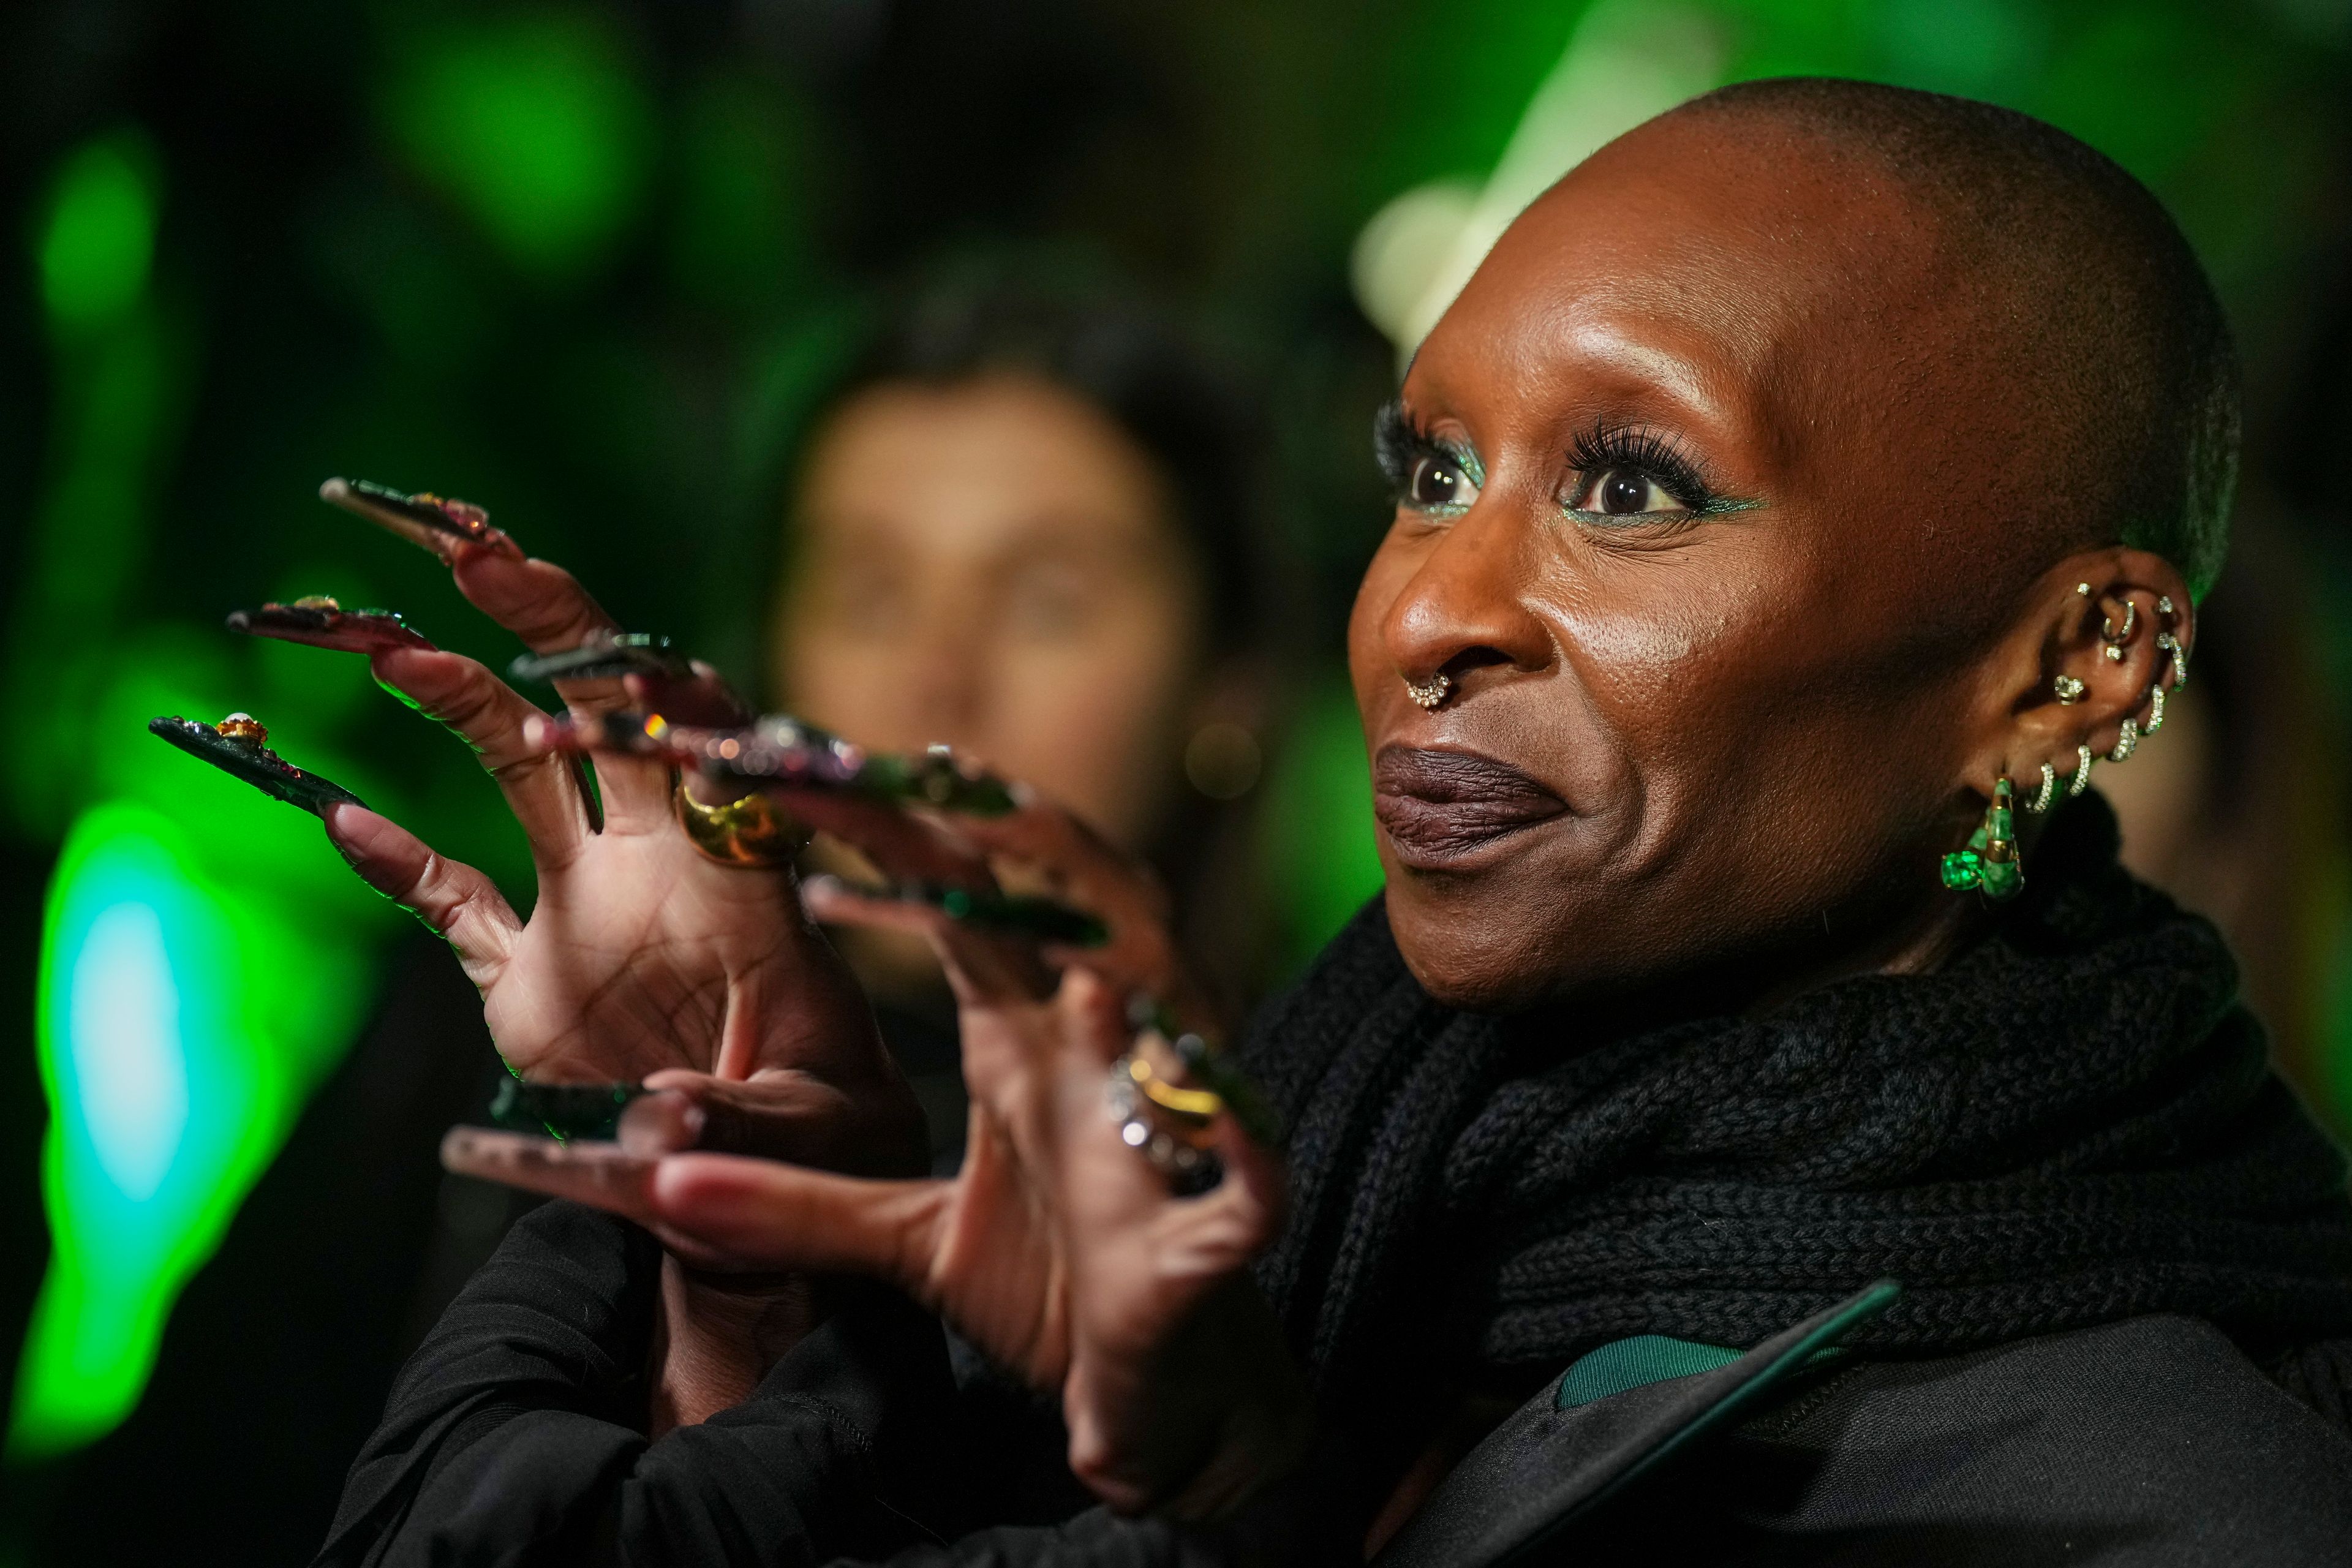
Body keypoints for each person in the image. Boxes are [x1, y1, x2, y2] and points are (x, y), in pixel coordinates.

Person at [311, 80, 2352, 1565]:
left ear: (2068, 670)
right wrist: (745, 1283)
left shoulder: (2148, 1492)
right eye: (1430, 466)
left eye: (1634, 485)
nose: (1432, 614)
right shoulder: (1329, 1183)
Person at [761, 274, 1276, 1158]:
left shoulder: (1317, 1170)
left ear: (1224, 685)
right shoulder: (570, 1061)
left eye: (1048, 605)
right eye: (871, 598)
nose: (938, 678)